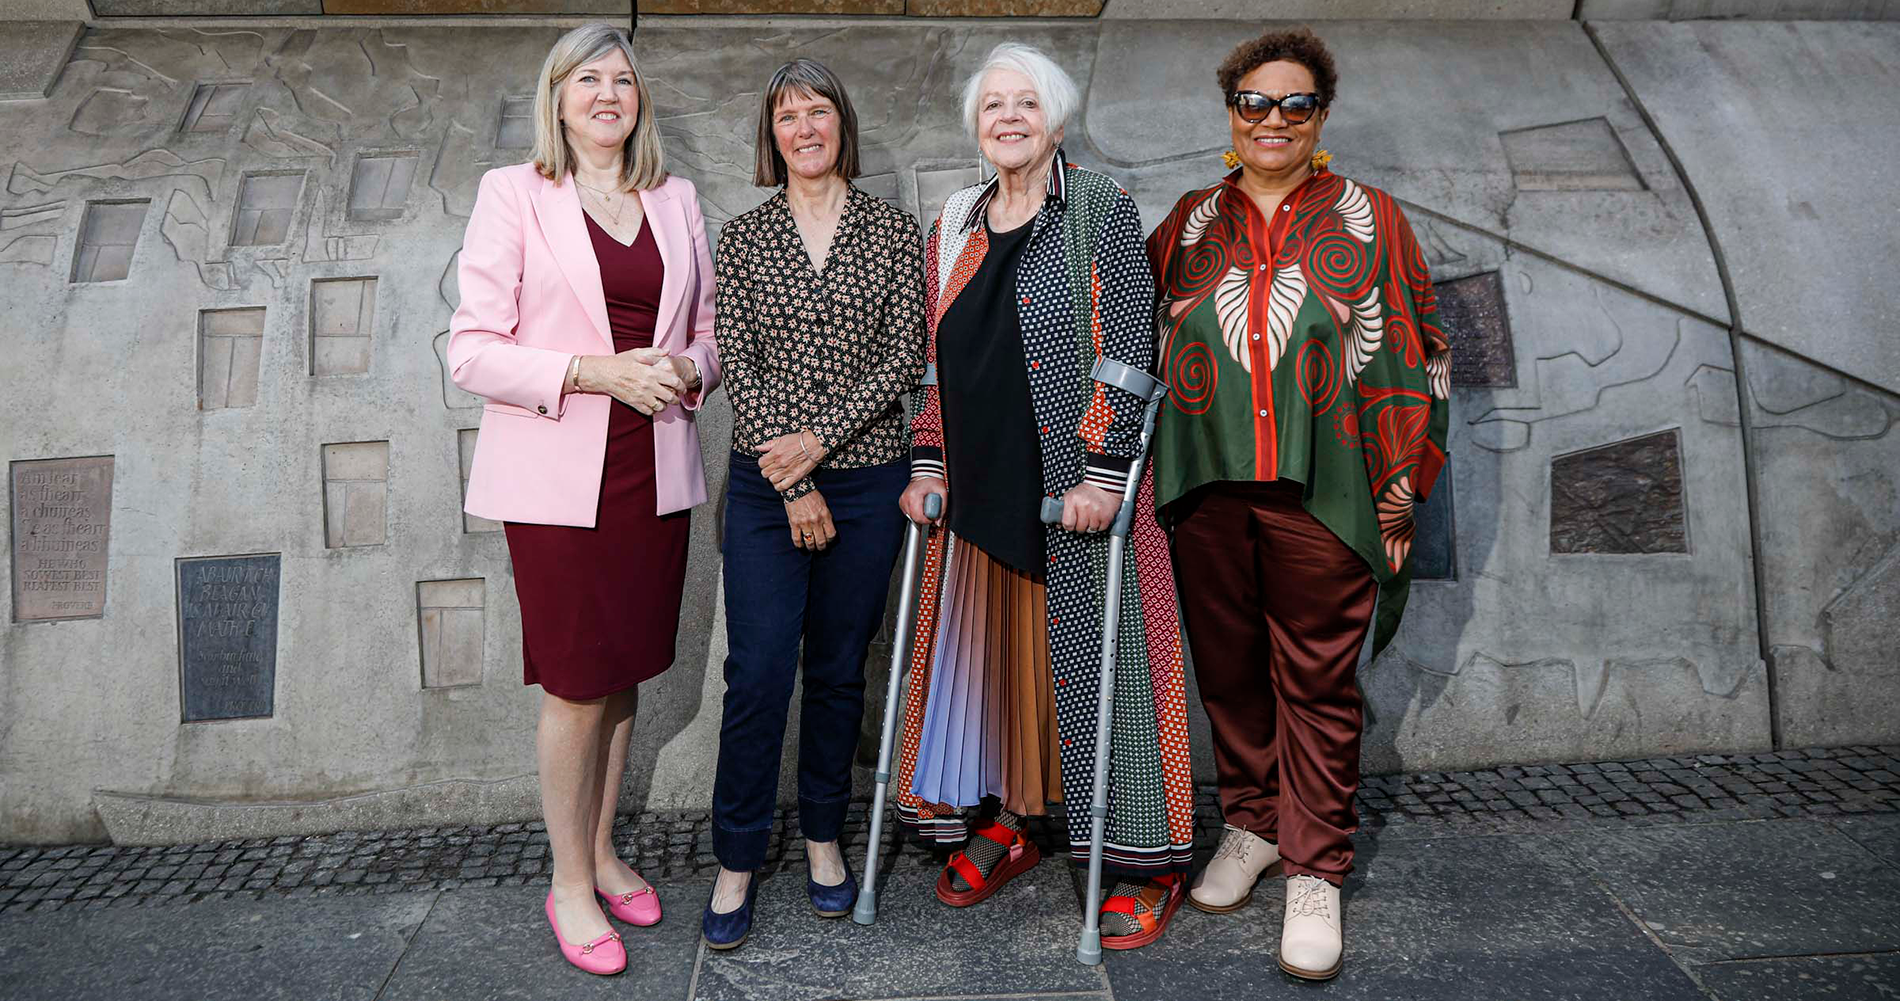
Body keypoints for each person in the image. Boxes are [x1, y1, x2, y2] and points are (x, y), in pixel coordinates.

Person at [1145, 26, 1451, 981]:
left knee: (1315, 682)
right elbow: (1139, 334)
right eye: (1254, 104)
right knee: (1229, 670)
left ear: (1322, 114)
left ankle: (1317, 865)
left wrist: (1396, 486)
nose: (1272, 121)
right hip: (1204, 490)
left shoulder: (1372, 218)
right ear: (1230, 113)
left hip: (1326, 492)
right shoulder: (1191, 220)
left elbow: (1423, 348)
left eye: (1294, 105)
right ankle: (1252, 823)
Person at [889, 42, 1197, 951]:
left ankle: (1145, 861)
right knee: (998, 672)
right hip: (979, 493)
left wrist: (1104, 475)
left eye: (1026, 105)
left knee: (1114, 673)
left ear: (1055, 121)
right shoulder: (954, 218)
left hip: (1075, 493)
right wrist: (930, 459)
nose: (1009, 119)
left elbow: (1128, 343)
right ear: (977, 129)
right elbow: (937, 358)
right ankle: (1013, 818)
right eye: (994, 108)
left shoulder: (1096, 205)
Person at [447, 22, 721, 976]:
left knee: (626, 671)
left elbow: (709, 332)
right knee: (574, 681)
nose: (610, 92)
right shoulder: (512, 194)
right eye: (589, 78)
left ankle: (603, 851)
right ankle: (567, 881)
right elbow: (472, 349)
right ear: (558, 96)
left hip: (657, 464)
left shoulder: (674, 196)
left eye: (624, 78)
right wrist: (595, 371)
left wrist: (687, 365)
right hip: (561, 478)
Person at [701, 58, 926, 950]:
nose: (804, 127)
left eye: (818, 110)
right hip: (765, 488)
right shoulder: (745, 235)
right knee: (757, 674)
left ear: (843, 125)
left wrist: (822, 445)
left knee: (838, 670)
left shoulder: (894, 231)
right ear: (772, 135)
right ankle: (736, 857)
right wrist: (792, 479)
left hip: (868, 479)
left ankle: (826, 839)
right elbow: (738, 363)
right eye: (787, 114)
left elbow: (904, 355)